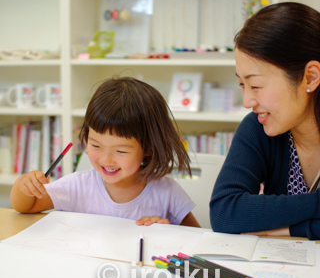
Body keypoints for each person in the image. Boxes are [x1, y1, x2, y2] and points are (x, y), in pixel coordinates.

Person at [10, 76, 200, 227]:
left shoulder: (167, 193)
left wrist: (166, 231)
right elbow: (27, 207)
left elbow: (195, 238)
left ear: (149, 148)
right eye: (95, 146)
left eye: (121, 151)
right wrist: (23, 186)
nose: (106, 159)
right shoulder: (77, 186)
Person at [210, 2, 320, 240]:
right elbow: (224, 213)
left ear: (310, 77)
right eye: (242, 84)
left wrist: (288, 229)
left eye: (256, 85)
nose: (248, 100)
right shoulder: (258, 126)